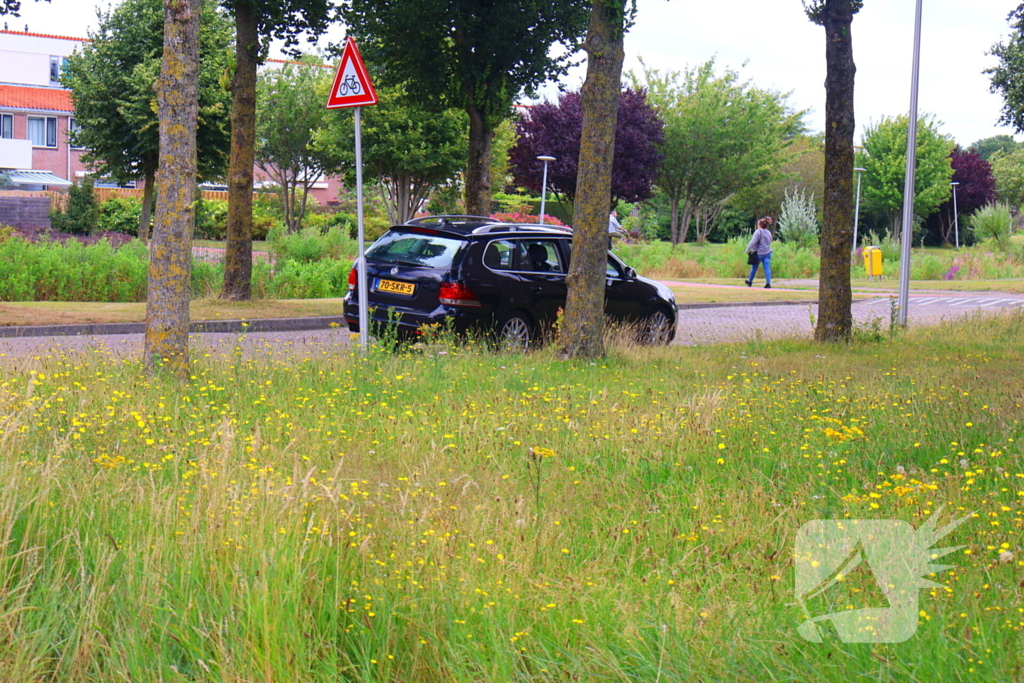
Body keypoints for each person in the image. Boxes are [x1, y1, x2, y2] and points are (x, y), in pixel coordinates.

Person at [745, 216, 774, 288]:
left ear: (760, 225)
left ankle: (750, 281)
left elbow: (752, 242)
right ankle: (768, 283)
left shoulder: (758, 232)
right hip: (767, 252)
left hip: (759, 253)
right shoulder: (768, 232)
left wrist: (747, 250)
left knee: (754, 267)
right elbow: (770, 241)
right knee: (767, 268)